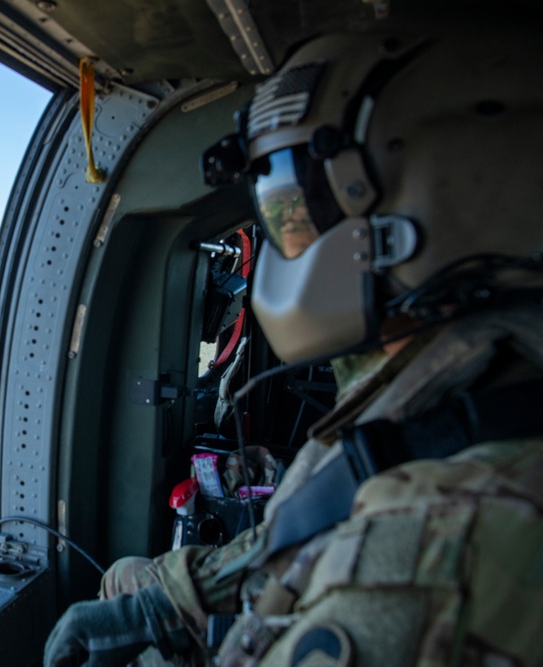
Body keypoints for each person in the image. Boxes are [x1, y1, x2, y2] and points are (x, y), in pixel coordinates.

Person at [45, 18, 543, 667]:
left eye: (296, 209)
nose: (287, 243)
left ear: (430, 203)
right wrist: (167, 600)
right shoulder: (456, 390)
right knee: (134, 576)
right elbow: (327, 509)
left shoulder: (442, 544)